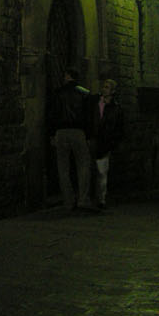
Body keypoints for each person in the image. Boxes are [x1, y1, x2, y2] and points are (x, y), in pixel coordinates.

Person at [49, 65, 94, 211]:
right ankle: (83, 199)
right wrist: (89, 135)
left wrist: (52, 134)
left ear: (68, 76)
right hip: (78, 131)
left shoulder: (58, 93)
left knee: (63, 167)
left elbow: (52, 114)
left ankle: (68, 200)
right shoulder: (84, 93)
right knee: (83, 165)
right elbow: (89, 116)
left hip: (61, 131)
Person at [87, 78, 124, 209]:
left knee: (102, 171)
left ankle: (101, 199)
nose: (104, 89)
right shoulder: (95, 102)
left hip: (105, 142)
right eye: (104, 86)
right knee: (90, 170)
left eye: (107, 87)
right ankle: (90, 197)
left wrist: (114, 141)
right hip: (93, 139)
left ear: (113, 91)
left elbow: (118, 126)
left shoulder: (116, 108)